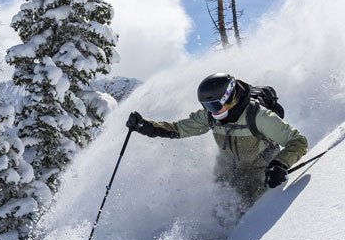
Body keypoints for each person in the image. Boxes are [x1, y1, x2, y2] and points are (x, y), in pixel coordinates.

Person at [126, 73, 308, 211]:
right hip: (228, 172)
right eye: (207, 106)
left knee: (248, 217)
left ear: (230, 97)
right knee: (219, 212)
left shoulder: (258, 115)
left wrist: (279, 165)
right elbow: (179, 129)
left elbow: (298, 141)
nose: (212, 111)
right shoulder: (211, 116)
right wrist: (146, 126)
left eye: (215, 105)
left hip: (258, 175)